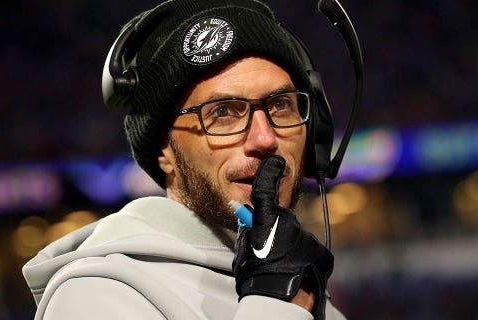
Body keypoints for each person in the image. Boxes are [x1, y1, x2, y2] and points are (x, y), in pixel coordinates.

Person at [23, 0, 346, 319]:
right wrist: (275, 303)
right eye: (222, 113)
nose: (265, 138)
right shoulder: (93, 297)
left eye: (281, 105)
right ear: (164, 149)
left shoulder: (305, 287)